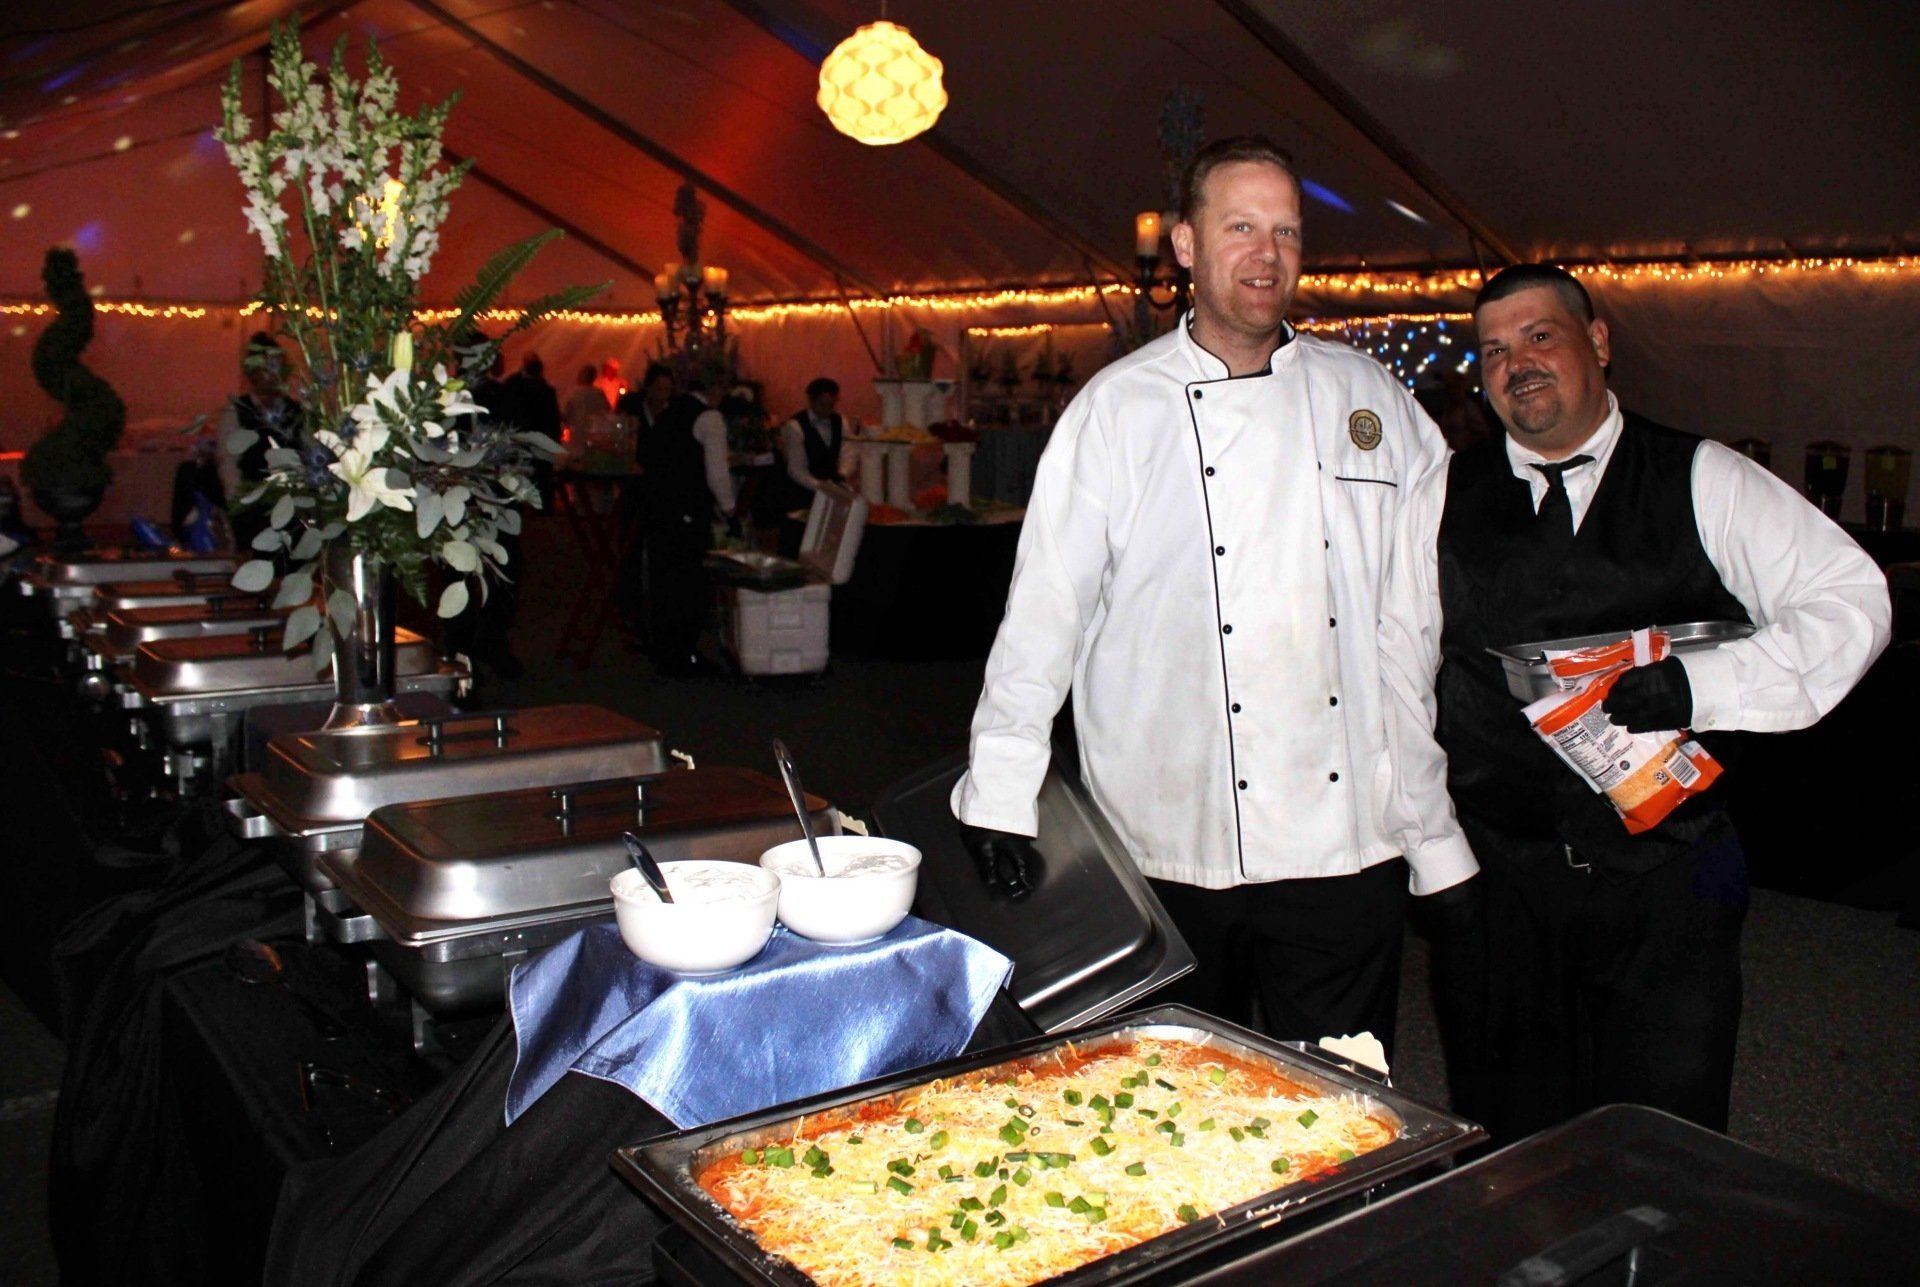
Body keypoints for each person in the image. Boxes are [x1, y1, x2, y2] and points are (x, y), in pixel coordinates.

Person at [951, 136, 1456, 1062]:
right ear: (1185, 246)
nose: (1267, 256)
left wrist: (1435, 830)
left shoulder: (1368, 398)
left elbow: (1416, 617)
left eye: (1287, 233)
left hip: (1341, 841)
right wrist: (1001, 791)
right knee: (1170, 1109)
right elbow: (1044, 615)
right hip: (1166, 833)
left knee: (1343, 1106)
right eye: (1240, 229)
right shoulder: (1116, 409)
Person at [1378, 264, 1890, 1140]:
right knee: (1513, 1130)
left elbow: (1853, 597)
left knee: (1665, 1132)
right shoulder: (1438, 494)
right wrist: (1435, 857)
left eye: (1540, 335)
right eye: (1493, 349)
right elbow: (1394, 679)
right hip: (1505, 880)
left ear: (1600, 342)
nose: (1517, 364)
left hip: (1670, 877)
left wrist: (1707, 684)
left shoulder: (1702, 474)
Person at [634, 372, 735, 676]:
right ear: (716, 388)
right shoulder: (710, 418)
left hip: (659, 506)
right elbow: (717, 472)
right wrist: (729, 509)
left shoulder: (669, 412)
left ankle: (666, 649)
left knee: (664, 579)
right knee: (689, 582)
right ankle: (684, 652)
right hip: (687, 508)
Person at [214, 331, 302, 549]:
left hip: (293, 506)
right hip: (253, 509)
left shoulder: (297, 411)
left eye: (275, 367)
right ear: (251, 373)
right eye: (264, 368)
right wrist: (239, 505)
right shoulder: (235, 411)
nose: (271, 375)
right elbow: (228, 464)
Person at [563, 363, 611, 444]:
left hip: (578, 435)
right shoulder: (599, 393)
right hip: (595, 435)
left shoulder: (574, 394)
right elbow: (607, 411)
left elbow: (566, 415)